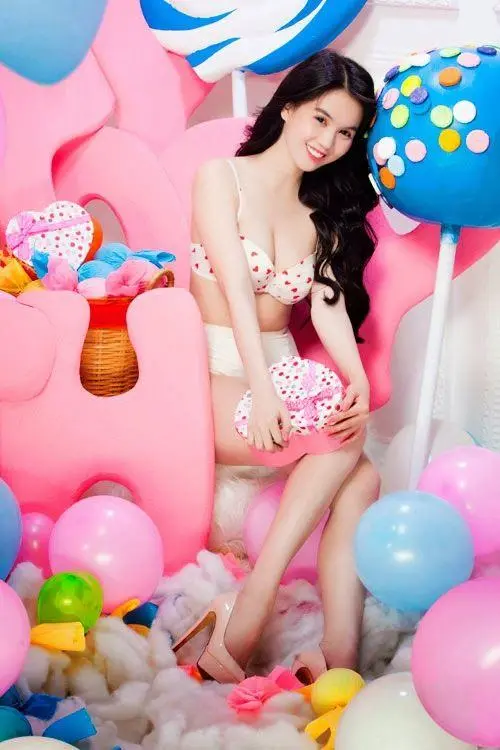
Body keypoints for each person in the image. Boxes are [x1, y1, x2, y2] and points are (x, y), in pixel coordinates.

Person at [174, 49, 381, 684]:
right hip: (214, 370)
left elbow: (327, 306)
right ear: (288, 107)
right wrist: (262, 391)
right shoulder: (221, 178)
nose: (329, 142)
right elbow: (238, 289)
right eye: (321, 119)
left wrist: (358, 380)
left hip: (284, 375)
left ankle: (340, 656)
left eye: (345, 133)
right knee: (336, 441)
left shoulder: (320, 214)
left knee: (363, 473)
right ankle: (254, 604)